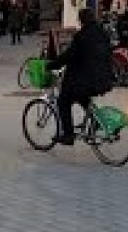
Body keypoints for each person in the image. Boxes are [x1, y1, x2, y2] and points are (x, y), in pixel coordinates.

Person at [46, 8, 114, 145]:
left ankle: (68, 135)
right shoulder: (102, 33)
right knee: (82, 95)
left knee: (63, 101)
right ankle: (96, 121)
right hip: (104, 79)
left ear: (81, 20)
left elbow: (69, 56)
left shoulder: (81, 36)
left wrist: (52, 65)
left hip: (87, 80)